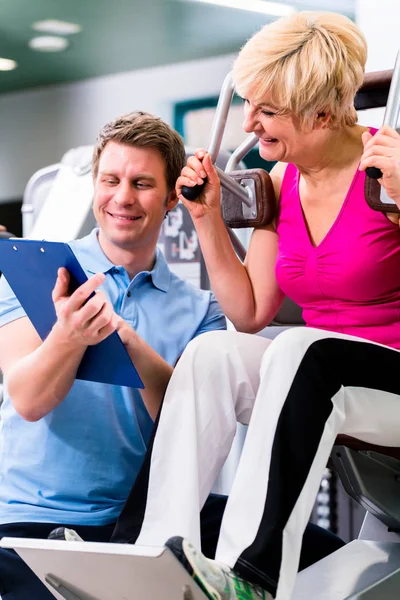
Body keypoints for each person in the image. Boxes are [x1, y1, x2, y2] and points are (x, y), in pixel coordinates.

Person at [109, 12, 400, 600]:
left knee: (301, 347)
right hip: (324, 383)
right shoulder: (283, 182)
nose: (249, 123)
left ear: (321, 110)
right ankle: (154, 558)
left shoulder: (388, 169)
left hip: (388, 382)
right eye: (248, 105)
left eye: (266, 110)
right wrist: (206, 216)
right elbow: (248, 312)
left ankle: (251, 576)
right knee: (212, 352)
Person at [0, 111, 227, 599]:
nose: (122, 197)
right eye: (111, 180)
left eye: (142, 183)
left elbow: (187, 428)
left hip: (135, 523)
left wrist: (126, 339)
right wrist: (70, 336)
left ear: (171, 199)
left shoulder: (201, 310)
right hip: (27, 522)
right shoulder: (32, 269)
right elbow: (29, 400)